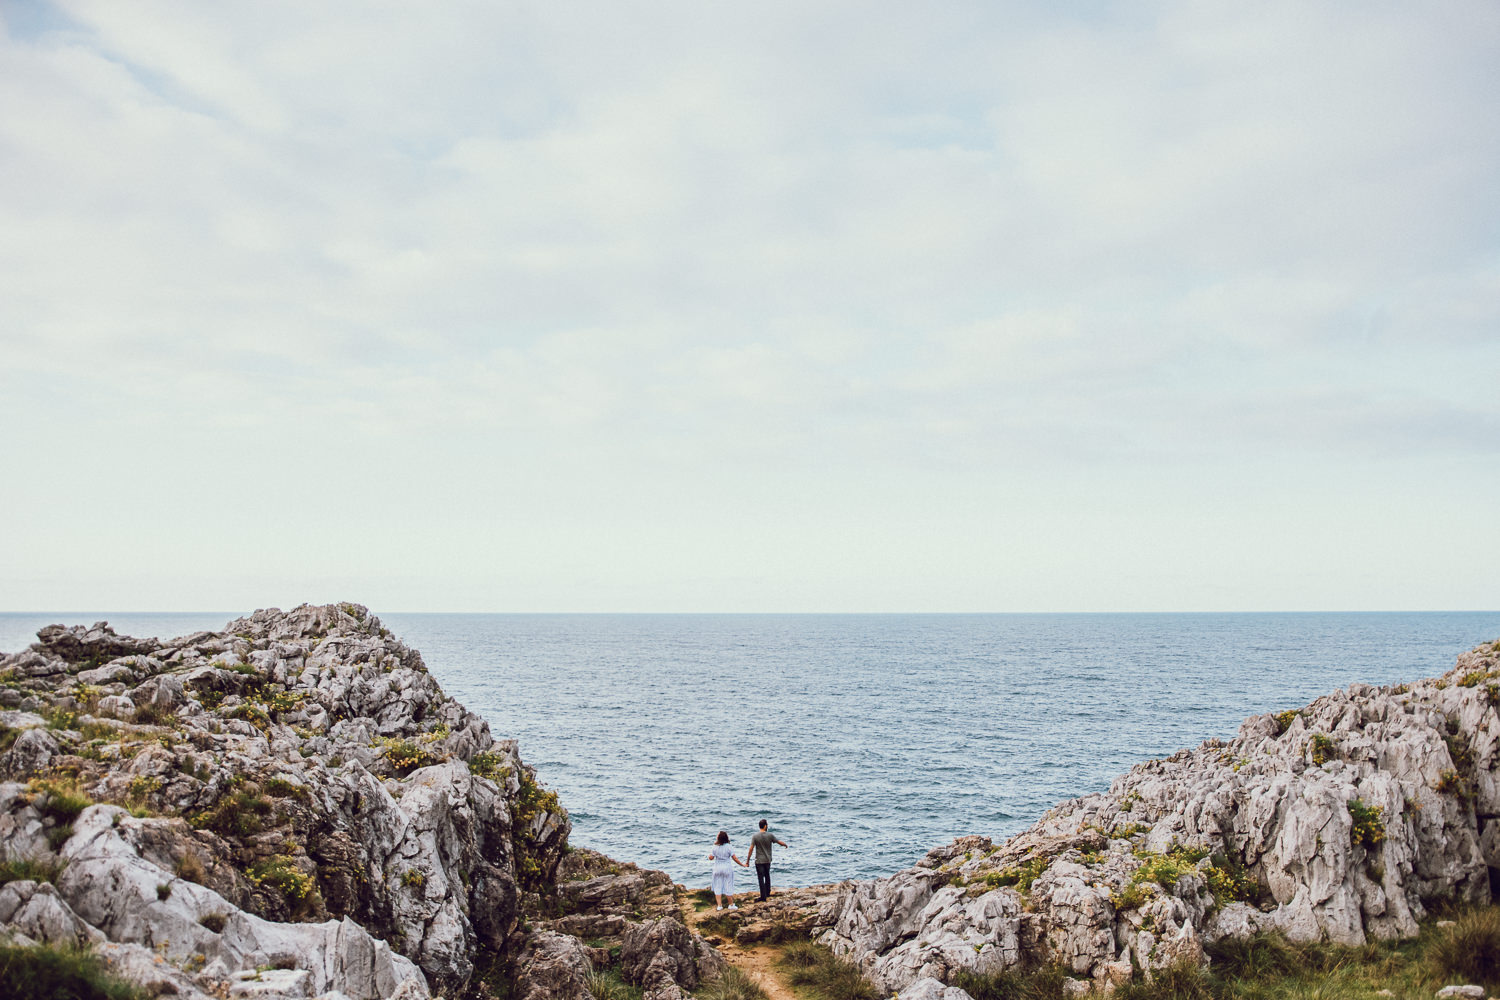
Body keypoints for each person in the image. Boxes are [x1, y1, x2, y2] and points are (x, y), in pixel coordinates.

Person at [746, 818, 788, 902]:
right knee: (767, 876)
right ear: (765, 826)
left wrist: (748, 860)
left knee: (761, 878)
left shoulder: (755, 836)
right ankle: (768, 892)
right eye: (767, 825)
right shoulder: (770, 835)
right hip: (767, 859)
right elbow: (778, 842)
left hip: (759, 860)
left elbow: (751, 849)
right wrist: (785, 845)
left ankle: (763, 896)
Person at [708, 829, 748, 910]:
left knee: (717, 886)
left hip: (717, 868)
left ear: (719, 838)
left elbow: (711, 858)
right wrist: (742, 865)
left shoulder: (715, 847)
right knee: (728, 885)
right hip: (727, 867)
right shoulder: (729, 847)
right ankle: (731, 905)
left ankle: (719, 906)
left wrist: (710, 855)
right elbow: (735, 858)